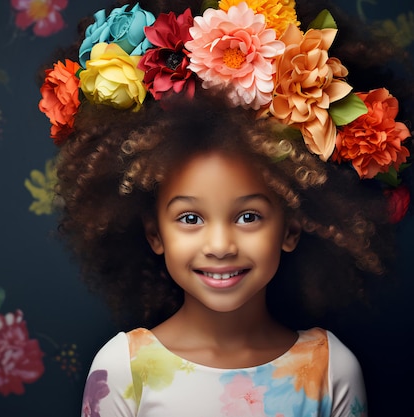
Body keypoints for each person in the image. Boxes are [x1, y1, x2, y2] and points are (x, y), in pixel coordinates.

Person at [38, 0, 413, 415]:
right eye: (190, 218)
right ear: (154, 233)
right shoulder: (124, 370)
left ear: (291, 228)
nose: (220, 245)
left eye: (248, 216)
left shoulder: (330, 369)